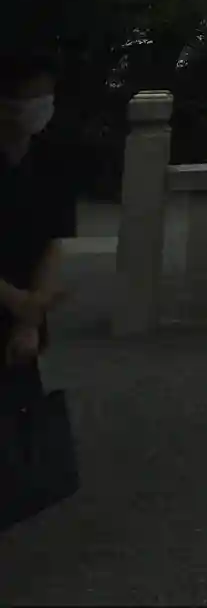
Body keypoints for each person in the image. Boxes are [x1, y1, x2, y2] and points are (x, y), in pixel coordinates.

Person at [0, 52, 75, 415]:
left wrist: (29, 318)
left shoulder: (52, 159)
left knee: (21, 419)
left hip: (22, 324)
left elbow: (53, 239)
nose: (42, 104)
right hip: (15, 302)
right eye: (33, 94)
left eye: (48, 94)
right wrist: (19, 303)